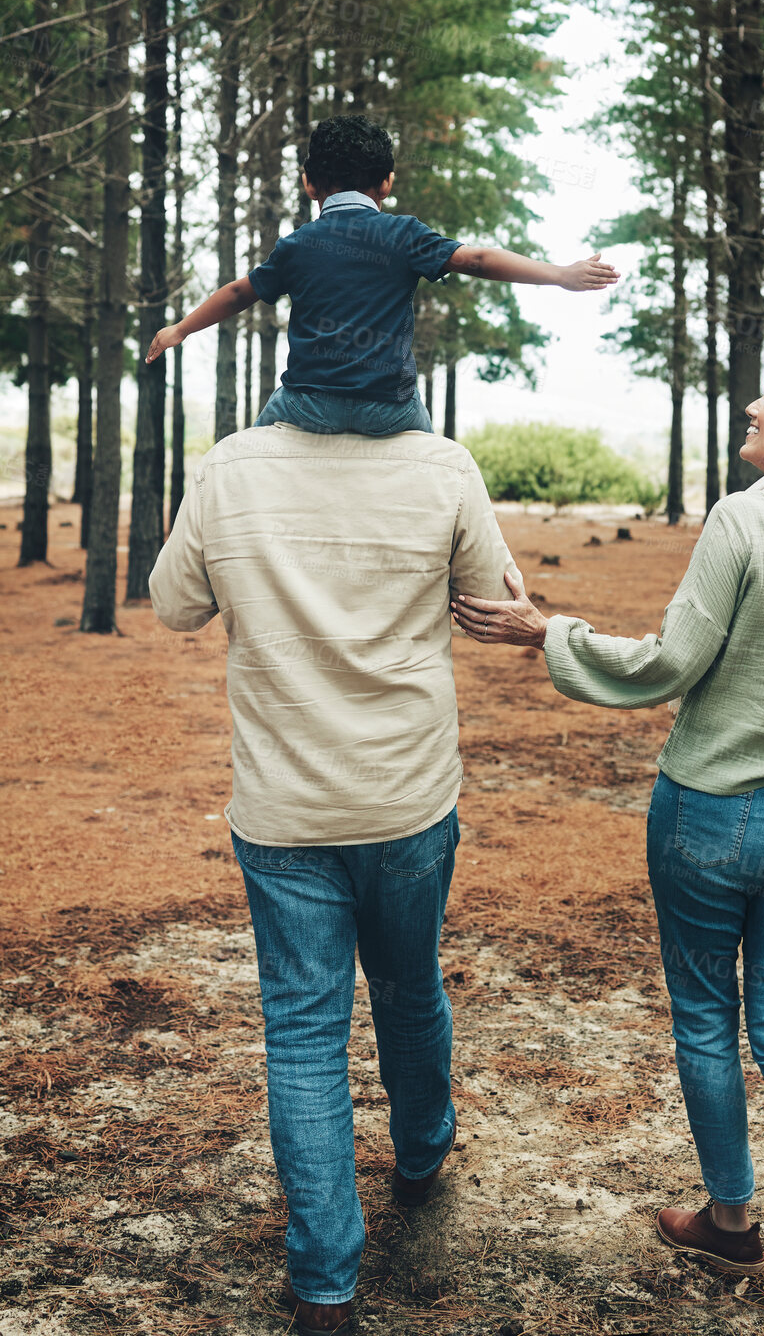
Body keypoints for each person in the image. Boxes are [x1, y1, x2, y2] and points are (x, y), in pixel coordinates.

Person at [452, 351, 764, 1336]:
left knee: (706, 1016)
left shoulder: (745, 519)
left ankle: (733, 1221)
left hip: (712, 816)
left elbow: (671, 661)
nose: (753, 405)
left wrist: (547, 633)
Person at [149, 419, 521, 1335]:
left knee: (304, 1032)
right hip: (405, 796)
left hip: (285, 808)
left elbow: (172, 605)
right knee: (407, 985)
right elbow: (499, 601)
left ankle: (323, 1289)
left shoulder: (232, 464)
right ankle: (423, 1152)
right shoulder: (442, 465)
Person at [146, 114, 618, 436]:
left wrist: (180, 329)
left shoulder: (296, 246)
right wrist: (559, 274)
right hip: (390, 409)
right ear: (388, 182)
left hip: (307, 405)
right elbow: (478, 259)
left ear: (308, 182)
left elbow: (236, 292)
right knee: (441, 480)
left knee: (243, 465)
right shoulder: (403, 235)